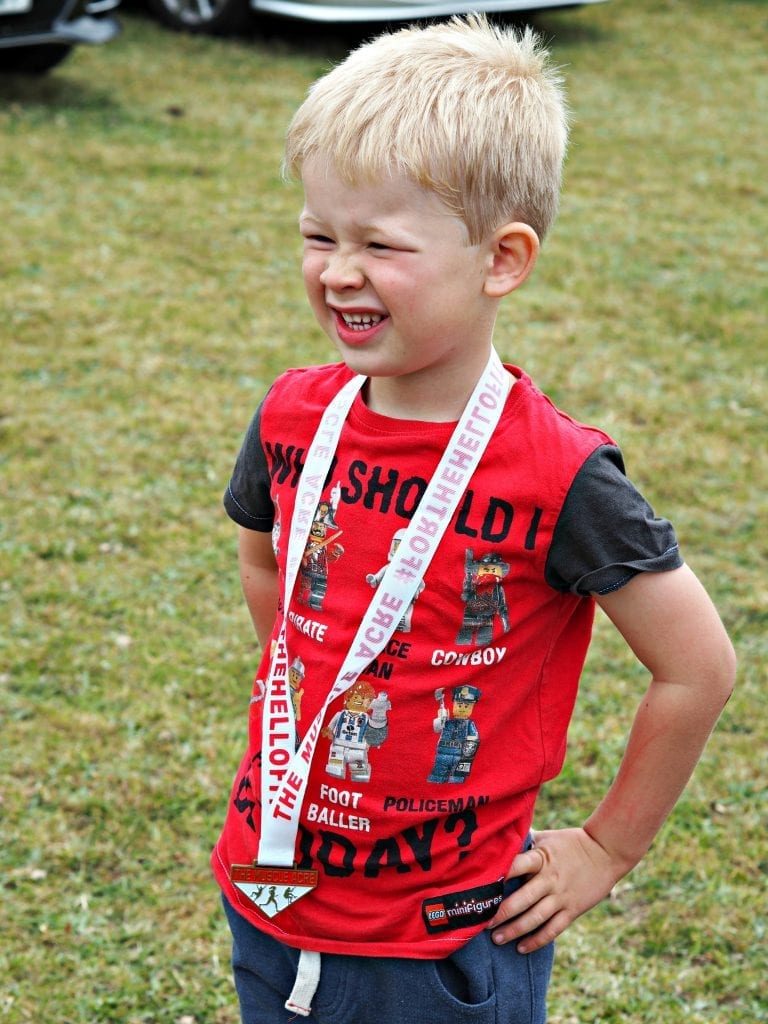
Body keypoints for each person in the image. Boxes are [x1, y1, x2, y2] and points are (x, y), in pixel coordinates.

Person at [212, 14, 736, 1024]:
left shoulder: (563, 472)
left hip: (445, 943)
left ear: (502, 258)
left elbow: (699, 665)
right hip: (271, 891)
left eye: (380, 244)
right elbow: (263, 554)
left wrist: (608, 846)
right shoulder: (292, 413)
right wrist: (312, 690)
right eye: (319, 234)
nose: (338, 271)